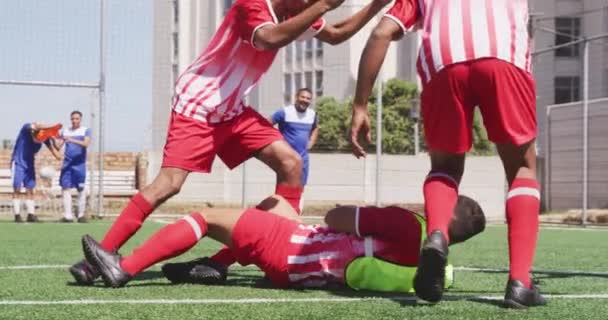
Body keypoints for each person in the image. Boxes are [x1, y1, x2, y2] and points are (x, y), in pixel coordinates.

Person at [69, 0, 393, 285]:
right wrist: (321, 5)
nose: (304, 8)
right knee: (169, 184)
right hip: (198, 105)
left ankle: (230, 259)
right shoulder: (250, 6)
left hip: (233, 111)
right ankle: (98, 258)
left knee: (291, 164)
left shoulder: (298, 10)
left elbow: (336, 34)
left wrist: (376, 6)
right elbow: (267, 40)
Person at [349, 0, 545, 308]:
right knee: (522, 168)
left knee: (445, 168)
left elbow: (380, 34)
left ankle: (438, 235)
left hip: (443, 63)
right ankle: (520, 281)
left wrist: (360, 105)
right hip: (504, 57)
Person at [80, 194, 485, 289]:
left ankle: (124, 267)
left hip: (294, 248)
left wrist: (366, 209)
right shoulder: (433, 262)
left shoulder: (406, 222)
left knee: (207, 216)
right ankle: (220, 263)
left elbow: (335, 218)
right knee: (277, 201)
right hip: (307, 267)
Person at [11, 122, 62, 223]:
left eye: (41, 140)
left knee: (30, 189)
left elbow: (56, 153)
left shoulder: (45, 137)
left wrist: (58, 155)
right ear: (34, 133)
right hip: (18, 162)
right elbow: (36, 124)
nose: (39, 141)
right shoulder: (25, 129)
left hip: (30, 164)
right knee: (17, 189)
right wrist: (51, 126)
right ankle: (17, 215)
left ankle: (31, 214)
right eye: (38, 139)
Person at [270, 87, 319, 188]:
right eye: (303, 97)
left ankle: (298, 204)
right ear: (296, 97)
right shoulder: (284, 112)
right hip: (286, 157)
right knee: (284, 186)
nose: (305, 100)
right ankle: (284, 204)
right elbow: (266, 125)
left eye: (308, 98)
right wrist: (275, 143)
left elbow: (315, 128)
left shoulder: (312, 114)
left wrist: (311, 142)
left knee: (301, 186)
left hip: (303, 158)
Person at [53, 111, 92, 223]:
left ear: (80, 119)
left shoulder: (86, 130)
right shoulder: (65, 131)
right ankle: (68, 216)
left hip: (79, 165)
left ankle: (81, 215)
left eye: (77, 119)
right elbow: (58, 146)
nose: (74, 121)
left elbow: (86, 144)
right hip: (67, 165)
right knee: (65, 188)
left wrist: (71, 140)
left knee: (81, 188)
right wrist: (52, 138)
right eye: (73, 119)